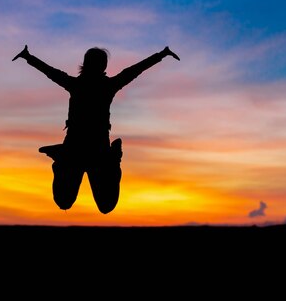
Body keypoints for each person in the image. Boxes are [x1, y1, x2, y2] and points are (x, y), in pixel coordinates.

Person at [12, 44, 180, 214]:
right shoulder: (82, 85)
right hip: (74, 149)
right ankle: (62, 162)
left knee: (106, 206)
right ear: (101, 66)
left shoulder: (98, 85)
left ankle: (111, 160)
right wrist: (28, 57)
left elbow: (134, 71)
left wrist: (161, 55)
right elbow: (50, 72)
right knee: (64, 202)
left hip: (97, 151)